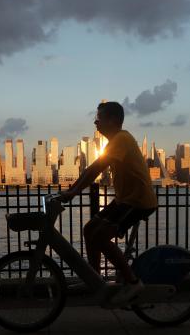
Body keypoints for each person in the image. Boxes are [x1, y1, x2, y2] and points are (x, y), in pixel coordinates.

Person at [58, 101, 158, 304]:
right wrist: (72, 190)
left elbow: (95, 168)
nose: (96, 121)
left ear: (112, 120)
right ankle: (95, 280)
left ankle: (132, 282)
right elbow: (92, 170)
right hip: (125, 200)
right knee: (89, 230)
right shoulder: (116, 141)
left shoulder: (121, 139)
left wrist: (75, 191)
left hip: (138, 201)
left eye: (99, 117)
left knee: (101, 238)